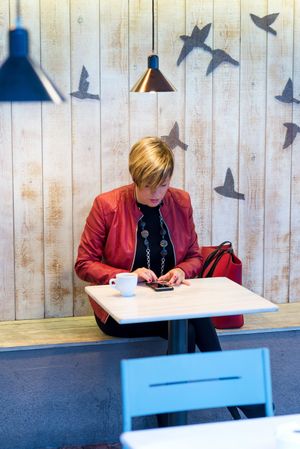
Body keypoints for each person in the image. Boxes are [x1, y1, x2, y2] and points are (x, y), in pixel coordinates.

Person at [75, 136, 266, 421]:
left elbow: (194, 257)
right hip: (121, 310)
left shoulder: (180, 201)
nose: (156, 193)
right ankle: (233, 393)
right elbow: (83, 263)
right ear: (135, 177)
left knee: (190, 324)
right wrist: (125, 275)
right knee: (190, 326)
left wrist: (181, 271)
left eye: (163, 184)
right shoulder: (108, 205)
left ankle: (169, 421)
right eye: (149, 185)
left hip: (170, 305)